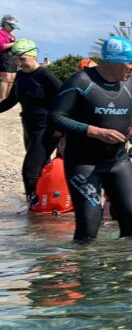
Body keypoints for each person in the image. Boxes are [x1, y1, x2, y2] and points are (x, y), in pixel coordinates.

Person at [48, 36, 132, 242]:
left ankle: (129, 262)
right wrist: (95, 132)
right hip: (83, 162)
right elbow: (55, 117)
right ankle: (86, 263)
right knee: (89, 224)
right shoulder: (81, 82)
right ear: (113, 62)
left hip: (118, 161)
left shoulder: (131, 86)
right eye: (130, 62)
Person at [0, 39, 62, 207]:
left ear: (34, 56)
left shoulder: (45, 75)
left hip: (47, 128)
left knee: (29, 171)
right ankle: (46, 203)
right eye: (16, 60)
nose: (19, 63)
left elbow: (66, 98)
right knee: (42, 166)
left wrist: (61, 126)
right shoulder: (21, 76)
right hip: (29, 127)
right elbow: (11, 100)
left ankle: (33, 207)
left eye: (22, 59)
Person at [0, 15, 20, 100]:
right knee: (6, 78)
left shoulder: (13, 36)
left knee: (12, 79)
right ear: (5, 24)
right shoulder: (1, 33)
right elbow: (1, 46)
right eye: (12, 26)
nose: (13, 28)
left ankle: (8, 99)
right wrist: (14, 43)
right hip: (3, 57)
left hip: (12, 58)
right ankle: (2, 98)